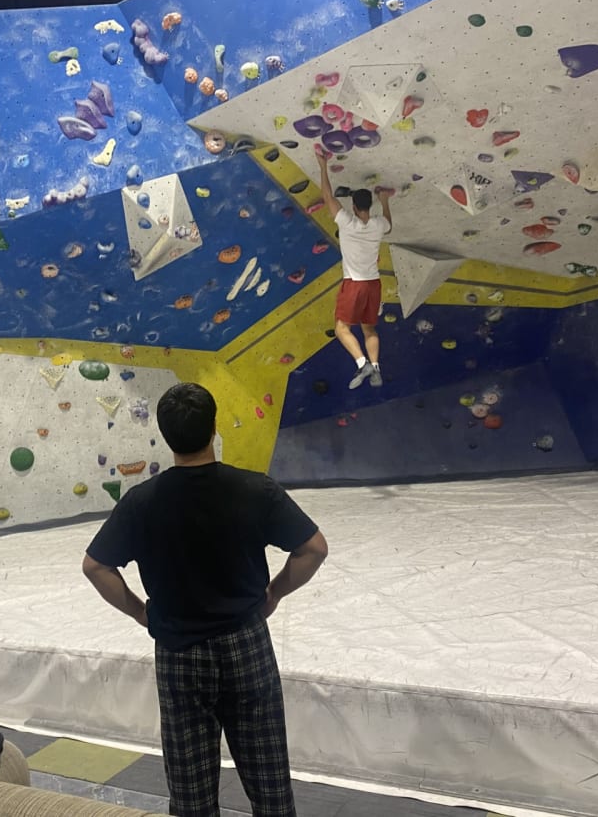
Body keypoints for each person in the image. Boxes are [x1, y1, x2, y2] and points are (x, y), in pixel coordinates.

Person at [82, 382, 328, 817]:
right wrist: (274, 593)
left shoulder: (142, 502)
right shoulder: (255, 489)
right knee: (270, 786)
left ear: (163, 434)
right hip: (246, 645)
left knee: (191, 795)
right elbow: (313, 549)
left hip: (178, 654)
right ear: (214, 428)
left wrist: (143, 613)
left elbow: (96, 566)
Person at [315, 150, 393, 389]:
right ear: (369, 205)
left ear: (352, 205)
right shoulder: (379, 225)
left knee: (341, 328)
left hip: (355, 284)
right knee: (369, 328)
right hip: (373, 284)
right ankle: (376, 368)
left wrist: (322, 166)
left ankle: (362, 364)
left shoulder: (347, 223)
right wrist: (385, 200)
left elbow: (327, 196)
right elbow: (389, 225)